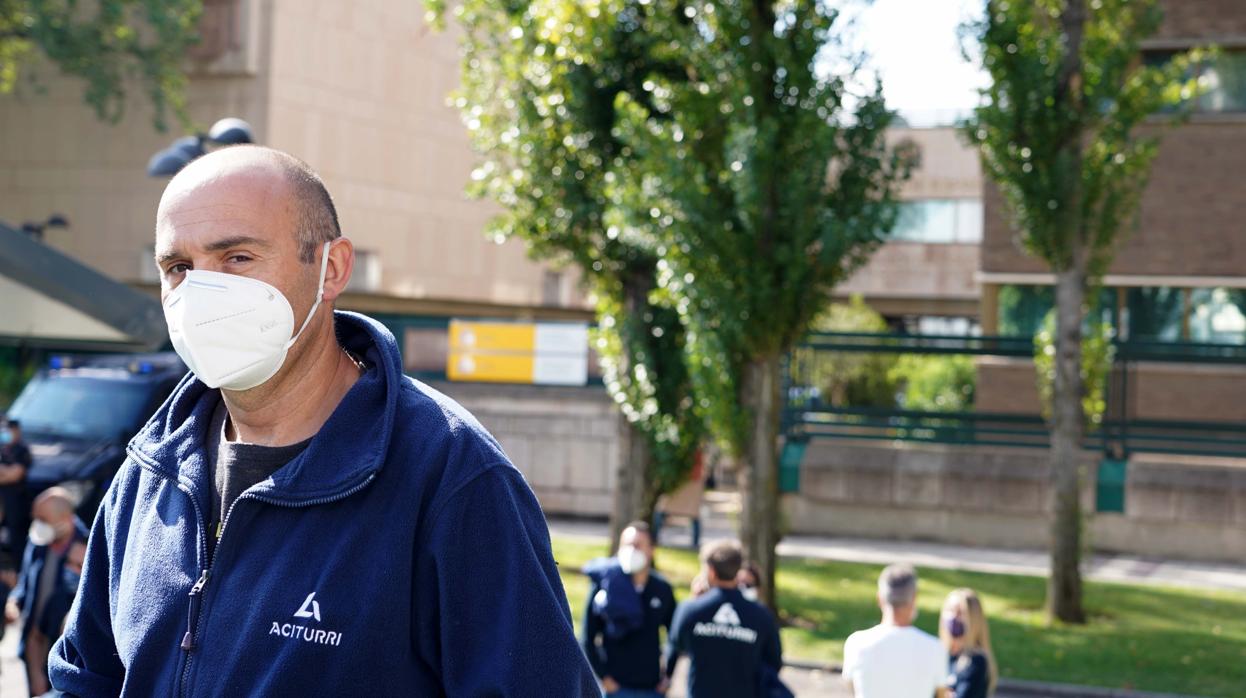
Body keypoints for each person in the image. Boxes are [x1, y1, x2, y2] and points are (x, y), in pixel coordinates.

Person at [49, 145, 597, 696]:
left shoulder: (451, 477)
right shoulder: (150, 472)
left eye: (237, 257)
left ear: (330, 269)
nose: (199, 293)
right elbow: (84, 682)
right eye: (178, 268)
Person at [665, 540, 782, 698]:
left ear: (711, 571)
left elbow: (675, 646)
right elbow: (774, 661)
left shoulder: (690, 610)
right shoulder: (761, 615)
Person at [7, 487, 87, 696]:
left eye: (43, 518)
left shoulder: (86, 551)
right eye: (36, 518)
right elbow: (26, 580)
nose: (37, 524)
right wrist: (14, 601)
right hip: (33, 646)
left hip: (63, 653)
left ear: (66, 519)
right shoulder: (38, 543)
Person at [582, 521, 676, 697]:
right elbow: (588, 636)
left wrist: (668, 676)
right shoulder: (604, 585)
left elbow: (675, 634)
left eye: (638, 545)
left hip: (652, 688)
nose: (632, 550)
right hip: (615, 688)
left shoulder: (662, 588)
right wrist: (604, 677)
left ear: (651, 550)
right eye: (627, 545)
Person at [842, 564, 948, 698]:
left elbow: (853, 688)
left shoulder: (856, 643)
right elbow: (940, 694)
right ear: (914, 599)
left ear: (880, 598)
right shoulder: (935, 648)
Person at [939, 589, 997, 698]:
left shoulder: (976, 661)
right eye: (950, 610)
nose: (953, 617)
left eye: (960, 613)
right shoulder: (944, 655)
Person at [0, 417, 33, 557]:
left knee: (16, 537)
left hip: (16, 501)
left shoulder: (22, 450)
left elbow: (15, 474)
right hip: (2, 501)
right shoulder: (2, 449)